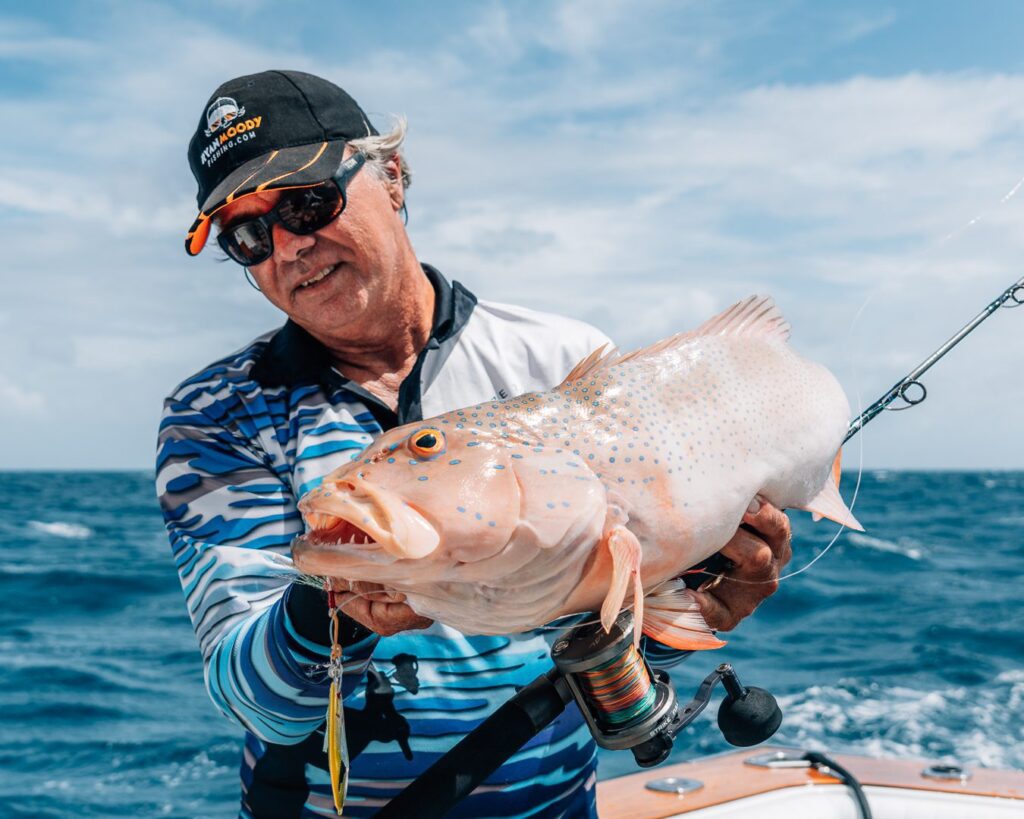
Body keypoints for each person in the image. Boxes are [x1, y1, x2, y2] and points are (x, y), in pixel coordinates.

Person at [157, 70, 793, 818]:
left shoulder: (565, 364)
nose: (289, 247)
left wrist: (695, 602)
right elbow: (256, 700)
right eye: (248, 233)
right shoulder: (215, 415)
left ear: (391, 176)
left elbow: (620, 628)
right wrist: (331, 607)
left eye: (307, 200)